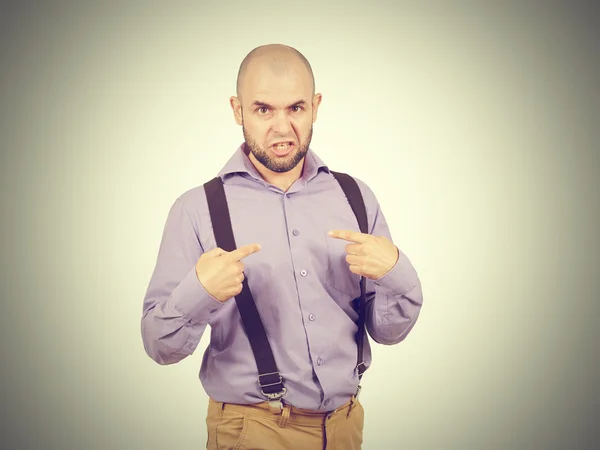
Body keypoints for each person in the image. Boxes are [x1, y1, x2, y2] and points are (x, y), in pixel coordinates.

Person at [141, 43, 423, 450]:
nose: (281, 127)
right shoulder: (196, 210)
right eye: (263, 110)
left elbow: (387, 331)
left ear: (315, 106)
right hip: (252, 430)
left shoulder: (355, 197)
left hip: (346, 427)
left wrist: (399, 272)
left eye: (295, 108)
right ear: (238, 111)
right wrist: (199, 292)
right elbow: (159, 345)